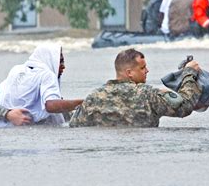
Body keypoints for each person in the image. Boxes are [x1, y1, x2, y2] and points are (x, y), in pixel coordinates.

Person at [69, 49, 201, 127]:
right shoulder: (148, 94)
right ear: (129, 72)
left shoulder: (93, 97)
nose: (147, 71)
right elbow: (185, 106)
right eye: (142, 68)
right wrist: (190, 73)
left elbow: (74, 126)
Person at [0, 43, 83, 127]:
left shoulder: (21, 72)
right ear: (50, 60)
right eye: (60, 62)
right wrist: (8, 114)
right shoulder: (34, 76)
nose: (63, 66)